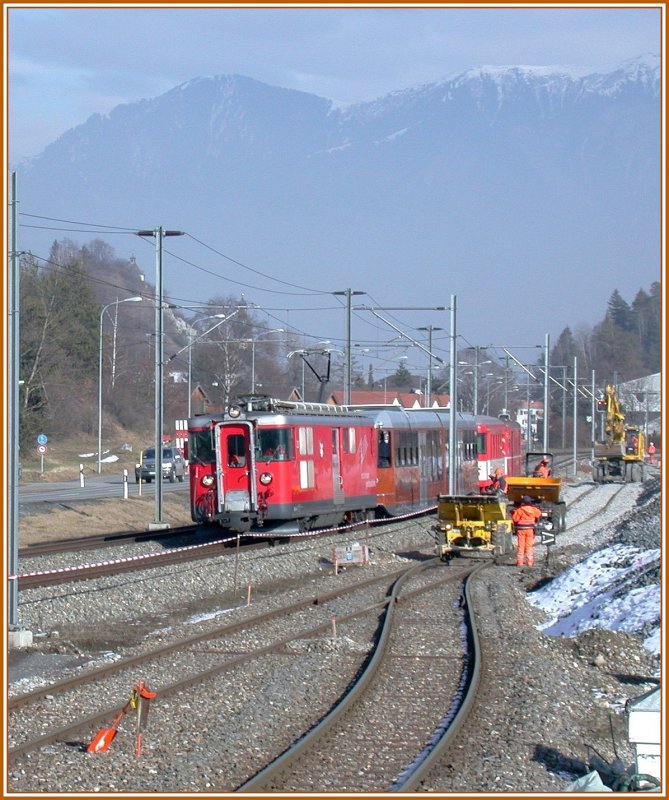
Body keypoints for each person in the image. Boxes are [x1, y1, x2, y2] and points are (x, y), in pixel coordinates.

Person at [511, 495, 542, 567]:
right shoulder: (534, 510)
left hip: (521, 530)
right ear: (530, 502)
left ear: (523, 502)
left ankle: (520, 562)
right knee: (529, 546)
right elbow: (539, 514)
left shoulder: (520, 510)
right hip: (530, 529)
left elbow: (515, 519)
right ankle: (530, 562)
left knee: (521, 546)